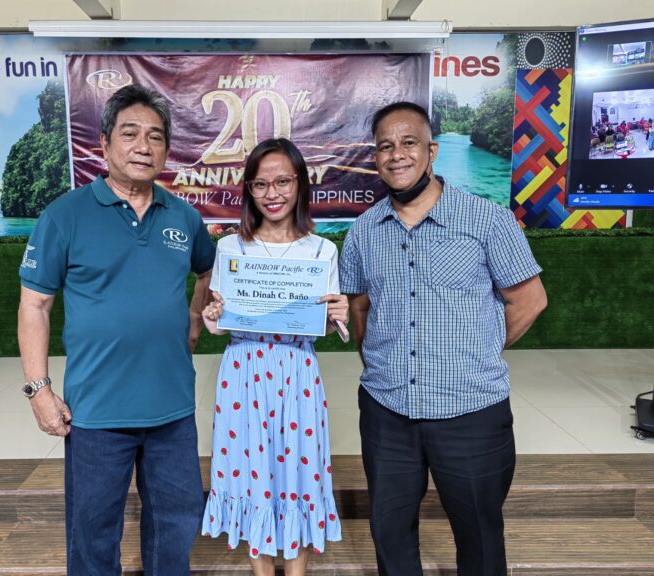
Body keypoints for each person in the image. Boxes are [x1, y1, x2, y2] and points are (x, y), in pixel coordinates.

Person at [340, 101, 547, 576]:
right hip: (386, 413)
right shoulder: (362, 232)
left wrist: (476, 354)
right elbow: (360, 309)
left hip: (472, 414)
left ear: (431, 150)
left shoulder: (487, 220)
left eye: (408, 142)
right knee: (390, 535)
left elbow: (529, 301)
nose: (397, 155)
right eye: (385, 146)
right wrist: (382, 362)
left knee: (479, 538)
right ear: (376, 157)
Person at [17, 84, 215, 576]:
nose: (143, 146)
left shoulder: (184, 218)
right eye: (130, 134)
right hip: (96, 413)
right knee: (92, 532)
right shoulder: (65, 215)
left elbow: (209, 272)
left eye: (155, 136)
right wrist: (39, 390)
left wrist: (193, 320)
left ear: (167, 150)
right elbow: (35, 305)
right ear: (104, 143)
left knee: (175, 526)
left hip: (172, 410)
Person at [200, 138, 347, 575]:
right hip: (242, 372)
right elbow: (219, 323)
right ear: (248, 189)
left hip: (298, 369)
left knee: (301, 471)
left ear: (300, 184)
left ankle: (297, 570)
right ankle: (262, 570)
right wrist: (213, 314)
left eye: (283, 181)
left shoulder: (321, 252)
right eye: (261, 183)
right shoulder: (231, 249)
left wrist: (338, 315)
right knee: (251, 472)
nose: (273, 193)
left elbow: (329, 328)